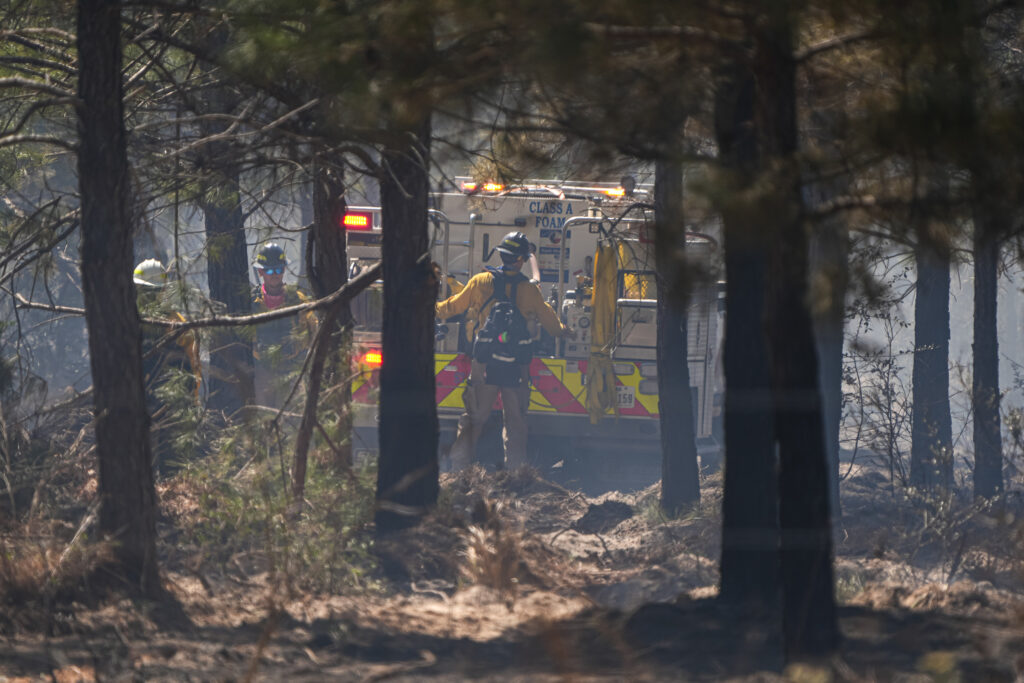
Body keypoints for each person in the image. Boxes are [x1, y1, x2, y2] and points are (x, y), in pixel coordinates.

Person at [436, 231, 575, 471]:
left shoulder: (480, 281)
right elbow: (552, 326)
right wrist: (566, 331)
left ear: (500, 254)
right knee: (516, 422)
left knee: (474, 419)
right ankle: (515, 474)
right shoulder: (530, 290)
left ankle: (457, 472)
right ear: (520, 260)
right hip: (516, 366)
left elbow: (453, 307)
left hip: (484, 363)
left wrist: (431, 307)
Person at [133, 258, 202, 471]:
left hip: (172, 406)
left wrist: (192, 403)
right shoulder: (126, 321)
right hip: (139, 405)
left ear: (162, 291)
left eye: (152, 291)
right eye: (144, 290)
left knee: (172, 465)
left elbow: (193, 369)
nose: (148, 297)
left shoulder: (177, 325)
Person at [251, 242, 315, 407]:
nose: (275, 275)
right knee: (264, 420)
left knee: (291, 422)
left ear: (284, 270)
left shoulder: (299, 300)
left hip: (292, 373)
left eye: (278, 270)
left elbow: (314, 335)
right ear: (261, 272)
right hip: (262, 372)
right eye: (270, 271)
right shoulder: (251, 303)